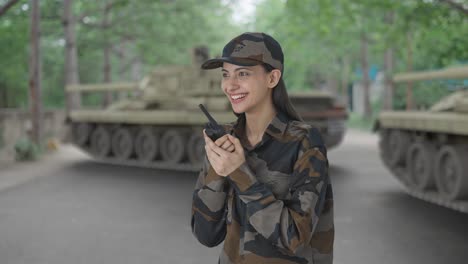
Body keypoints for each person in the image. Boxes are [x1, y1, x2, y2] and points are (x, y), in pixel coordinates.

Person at [191, 32, 334, 264]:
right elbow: (205, 234)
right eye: (225, 74)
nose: (230, 85)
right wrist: (219, 170)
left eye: (243, 73)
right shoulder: (226, 140)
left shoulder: (304, 142)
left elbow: (296, 239)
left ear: (272, 78)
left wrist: (239, 172)